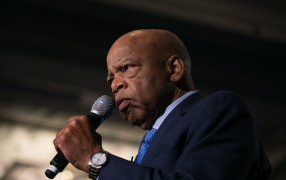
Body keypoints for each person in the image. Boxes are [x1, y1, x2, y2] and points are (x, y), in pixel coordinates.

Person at [53, 29, 271, 179]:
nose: (115, 85)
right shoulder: (150, 142)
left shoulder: (220, 109)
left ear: (174, 69)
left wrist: (95, 159)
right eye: (111, 79)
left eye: (127, 68)